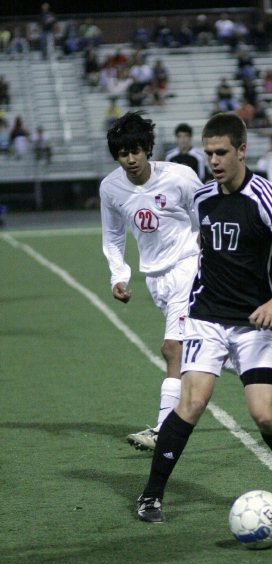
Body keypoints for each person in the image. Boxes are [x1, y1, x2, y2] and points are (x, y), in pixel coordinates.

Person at [136, 112, 272, 523]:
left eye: (222, 152)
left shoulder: (265, 196)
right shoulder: (203, 197)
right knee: (192, 402)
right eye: (209, 153)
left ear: (242, 150)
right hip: (206, 317)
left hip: (253, 324)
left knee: (264, 414)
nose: (215, 160)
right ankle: (151, 495)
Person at [100, 112, 203, 452]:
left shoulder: (179, 177)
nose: (130, 159)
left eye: (136, 151)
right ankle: (244, 359)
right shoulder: (111, 188)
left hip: (188, 266)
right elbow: (113, 236)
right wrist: (119, 275)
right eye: (122, 153)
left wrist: (209, 254)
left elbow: (206, 212)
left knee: (171, 349)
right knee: (199, 353)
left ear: (148, 148)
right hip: (155, 278)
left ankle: (162, 429)